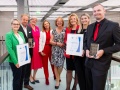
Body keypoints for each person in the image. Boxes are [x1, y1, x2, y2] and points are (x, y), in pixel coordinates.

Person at [84, 4, 120, 90]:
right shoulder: (90, 26)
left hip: (101, 65)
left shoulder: (113, 26)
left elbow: (119, 44)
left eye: (99, 10)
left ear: (104, 11)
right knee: (88, 87)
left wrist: (104, 51)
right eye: (94, 11)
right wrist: (86, 50)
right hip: (88, 63)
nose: (96, 13)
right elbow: (85, 42)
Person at [5, 19, 25, 90]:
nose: (16, 25)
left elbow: (24, 46)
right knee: (17, 79)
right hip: (15, 61)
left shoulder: (21, 33)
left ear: (19, 25)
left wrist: (27, 57)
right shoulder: (9, 35)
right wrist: (15, 61)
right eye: (14, 24)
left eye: (17, 24)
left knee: (21, 77)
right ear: (11, 25)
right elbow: (10, 49)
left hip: (22, 60)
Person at [74, 13, 90, 90]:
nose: (84, 20)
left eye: (85, 18)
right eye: (82, 18)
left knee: (87, 75)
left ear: (89, 19)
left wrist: (84, 50)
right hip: (78, 56)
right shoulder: (79, 30)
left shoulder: (91, 29)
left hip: (87, 56)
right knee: (80, 75)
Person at [64, 13, 80, 90]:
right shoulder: (68, 29)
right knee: (69, 70)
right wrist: (66, 41)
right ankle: (68, 87)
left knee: (77, 71)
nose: (73, 20)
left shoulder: (80, 28)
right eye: (71, 19)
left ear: (77, 20)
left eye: (74, 19)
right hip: (69, 54)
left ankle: (74, 86)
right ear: (69, 21)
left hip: (78, 54)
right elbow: (65, 39)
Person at [18, 14, 33, 90]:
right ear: (21, 19)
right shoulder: (18, 28)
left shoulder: (29, 28)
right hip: (21, 53)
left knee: (28, 69)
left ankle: (26, 84)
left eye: (27, 20)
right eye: (24, 19)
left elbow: (31, 38)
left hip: (29, 52)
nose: (25, 21)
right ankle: (20, 84)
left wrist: (32, 44)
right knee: (21, 69)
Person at [50, 17, 65, 89]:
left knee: (61, 65)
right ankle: (57, 81)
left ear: (62, 22)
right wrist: (57, 43)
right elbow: (50, 41)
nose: (59, 22)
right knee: (55, 65)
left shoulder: (65, 30)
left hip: (62, 50)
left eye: (60, 21)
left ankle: (58, 76)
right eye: (58, 21)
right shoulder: (53, 31)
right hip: (55, 49)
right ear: (56, 23)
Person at [39, 20, 55, 85]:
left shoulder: (52, 31)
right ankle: (46, 78)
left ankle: (55, 75)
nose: (46, 25)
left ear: (49, 24)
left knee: (53, 63)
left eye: (47, 24)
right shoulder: (42, 32)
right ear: (43, 25)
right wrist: (40, 51)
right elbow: (40, 42)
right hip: (44, 48)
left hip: (52, 48)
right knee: (45, 65)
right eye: (45, 24)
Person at [29, 17, 42, 84]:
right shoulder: (28, 27)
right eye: (32, 20)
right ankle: (30, 77)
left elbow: (39, 37)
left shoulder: (37, 28)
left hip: (37, 47)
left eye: (35, 20)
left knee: (36, 62)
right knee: (30, 62)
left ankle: (34, 76)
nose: (34, 21)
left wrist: (40, 48)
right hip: (30, 47)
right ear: (30, 20)